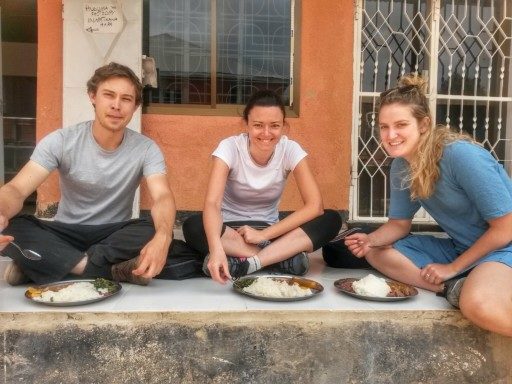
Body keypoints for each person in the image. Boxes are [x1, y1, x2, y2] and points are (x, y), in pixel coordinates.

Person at [345, 74, 512, 336]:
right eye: (383, 127)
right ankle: (450, 288)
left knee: (478, 303)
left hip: (504, 249)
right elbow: (399, 225)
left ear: (424, 124)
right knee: (376, 252)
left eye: (400, 125)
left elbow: (505, 229)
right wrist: (370, 240)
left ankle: (462, 284)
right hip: (462, 248)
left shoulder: (461, 156)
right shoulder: (401, 165)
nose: (391, 135)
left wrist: (452, 268)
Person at [0, 62, 176, 286]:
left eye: (126, 99)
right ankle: (104, 269)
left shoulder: (146, 148)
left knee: (156, 225)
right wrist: (2, 211)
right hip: (65, 231)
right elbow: (16, 189)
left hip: (112, 233)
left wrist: (163, 236)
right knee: (14, 224)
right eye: (108, 95)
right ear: (93, 96)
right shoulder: (62, 141)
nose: (116, 105)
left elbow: (162, 196)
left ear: (135, 106)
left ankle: (45, 264)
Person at [182, 89, 342, 284]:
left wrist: (263, 234)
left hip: (271, 232)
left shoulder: (290, 149)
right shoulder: (229, 147)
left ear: (284, 126)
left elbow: (314, 206)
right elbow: (213, 203)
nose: (266, 133)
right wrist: (216, 251)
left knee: (331, 219)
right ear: (246, 125)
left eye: (274, 126)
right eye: (258, 125)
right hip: (231, 231)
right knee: (193, 226)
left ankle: (247, 263)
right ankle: (281, 258)